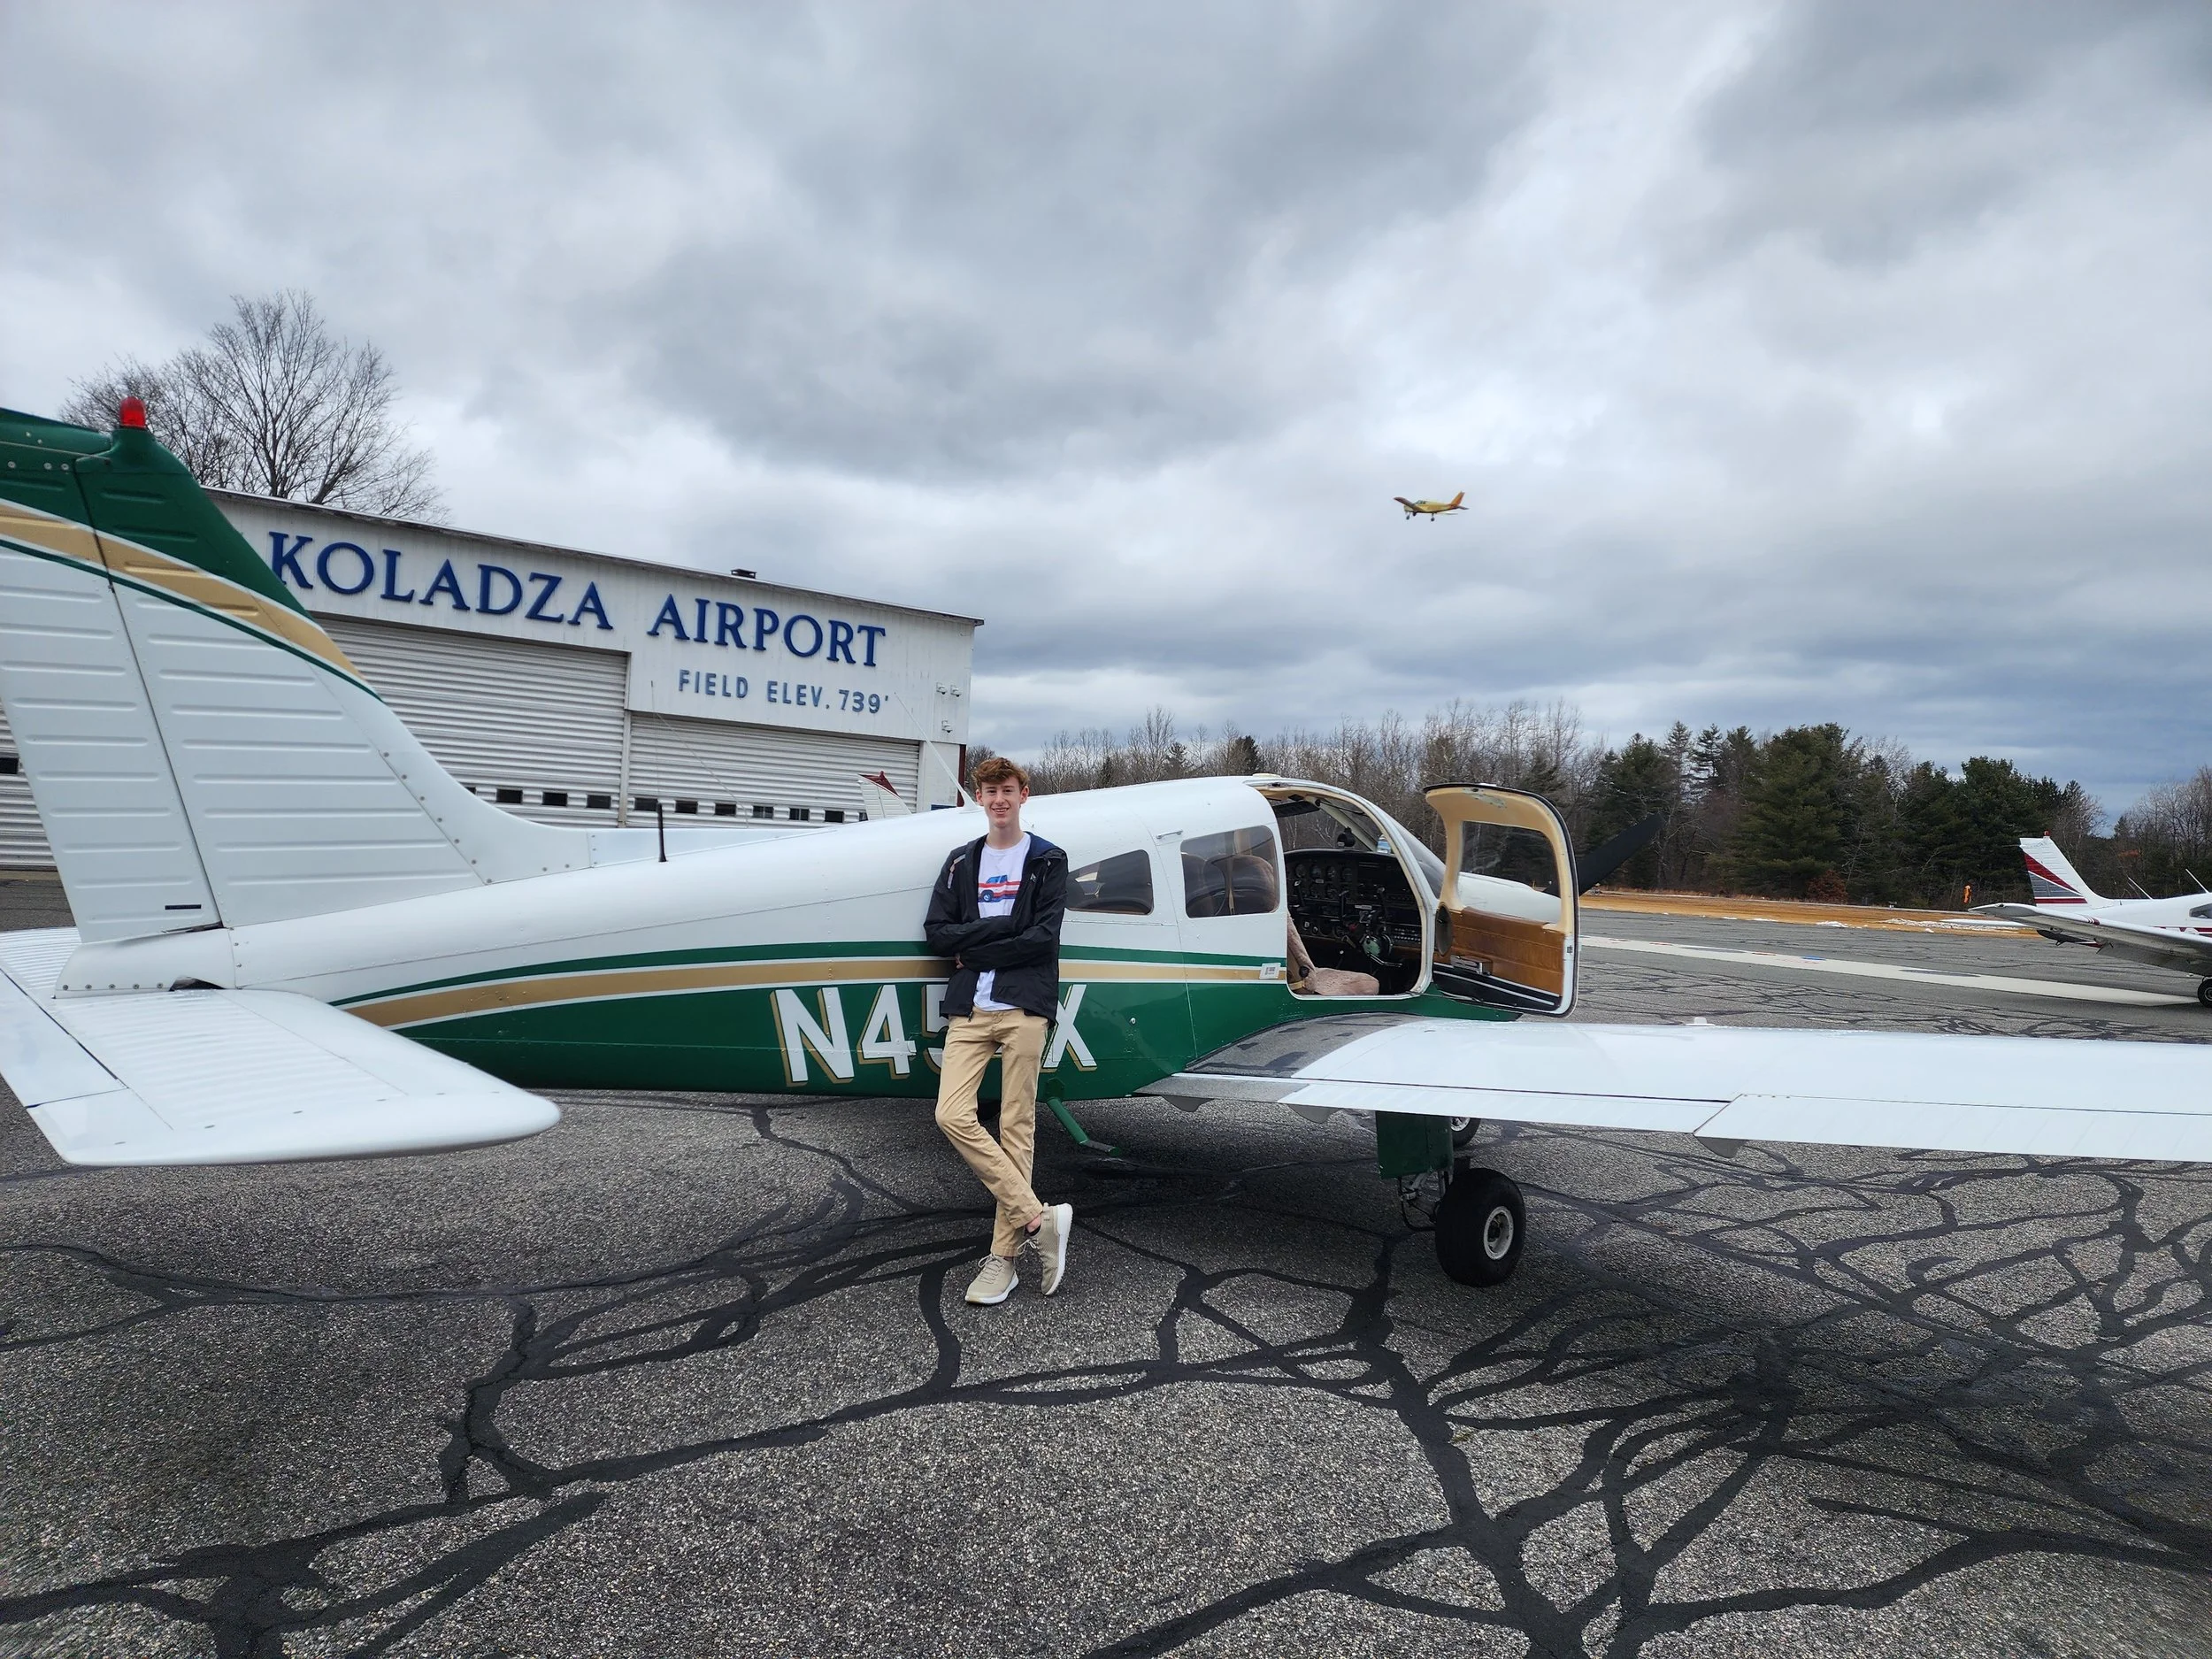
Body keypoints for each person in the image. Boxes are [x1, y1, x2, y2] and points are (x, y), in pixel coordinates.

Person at [924, 757, 1075, 1306]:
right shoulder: (961, 860)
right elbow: (937, 935)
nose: (998, 800)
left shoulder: (1047, 860)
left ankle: (1003, 1260)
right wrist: (1002, 927)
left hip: (1024, 1007)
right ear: (980, 797)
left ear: (1023, 794)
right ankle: (1039, 1218)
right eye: (989, 791)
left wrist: (977, 943)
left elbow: (1042, 938)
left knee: (1017, 1126)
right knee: (950, 1114)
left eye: (1007, 790)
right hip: (970, 1010)